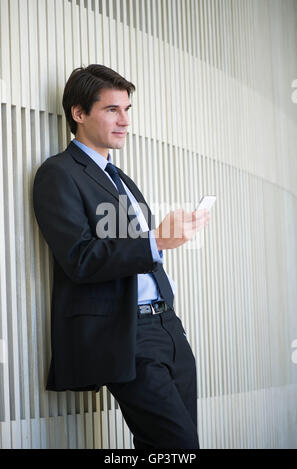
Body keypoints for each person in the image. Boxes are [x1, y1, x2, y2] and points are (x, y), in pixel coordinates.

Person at [33, 64, 210, 449]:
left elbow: (132, 254)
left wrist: (164, 245)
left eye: (127, 109)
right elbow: (80, 258)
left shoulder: (121, 178)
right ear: (79, 114)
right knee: (177, 447)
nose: (125, 121)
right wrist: (156, 242)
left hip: (168, 327)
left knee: (180, 446)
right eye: (113, 110)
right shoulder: (58, 174)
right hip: (127, 333)